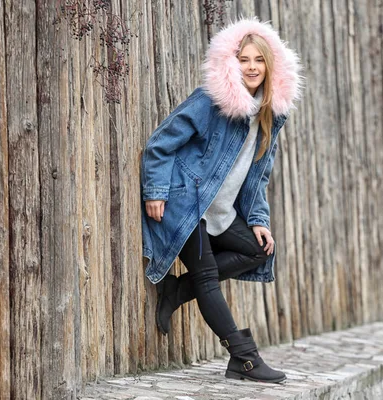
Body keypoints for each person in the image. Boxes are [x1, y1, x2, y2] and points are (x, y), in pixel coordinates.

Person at [140, 17, 303, 384]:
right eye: (244, 59)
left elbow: (258, 176)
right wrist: (156, 192)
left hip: (220, 212)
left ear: (270, 65)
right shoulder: (210, 101)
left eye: (258, 60)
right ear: (232, 62)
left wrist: (258, 219)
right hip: (184, 204)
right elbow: (160, 144)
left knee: (259, 250)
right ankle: (244, 359)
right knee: (208, 276)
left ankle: (177, 289)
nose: (251, 67)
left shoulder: (269, 116)